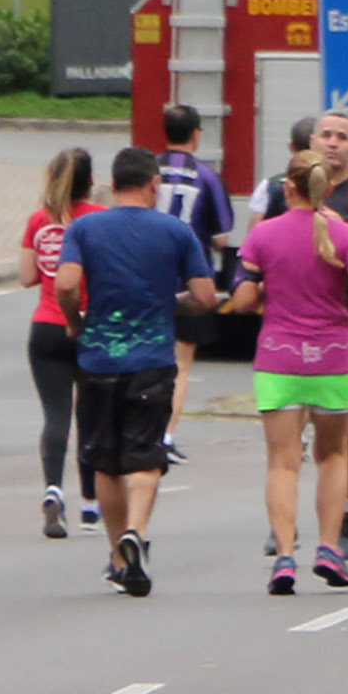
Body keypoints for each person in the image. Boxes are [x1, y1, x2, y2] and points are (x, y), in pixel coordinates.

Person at [54, 148, 216, 596]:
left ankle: (116, 554)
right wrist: (172, 301)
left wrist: (74, 319)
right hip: (152, 361)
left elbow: (65, 284)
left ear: (114, 181)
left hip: (98, 360)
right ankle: (136, 532)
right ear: (152, 185)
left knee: (105, 461)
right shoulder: (175, 231)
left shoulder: (85, 228)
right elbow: (204, 296)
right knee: (144, 457)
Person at [230, 155, 348, 592]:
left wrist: (264, 290)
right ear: (326, 189)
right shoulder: (346, 234)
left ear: (287, 188)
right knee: (332, 455)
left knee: (283, 461)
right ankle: (331, 549)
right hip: (334, 356)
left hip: (280, 357)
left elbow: (241, 301)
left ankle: (283, 556)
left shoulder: (263, 235)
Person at [257, 112, 348, 561]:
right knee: (290, 434)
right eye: (327, 135)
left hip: (345, 323)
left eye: (343, 138)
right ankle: (288, 530)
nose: (334, 143)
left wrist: (347, 236)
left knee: (345, 429)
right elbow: (258, 252)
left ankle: (346, 510)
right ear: (311, 141)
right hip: (287, 323)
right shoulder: (286, 192)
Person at [21, 147, 99, 539]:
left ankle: (53, 487)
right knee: (89, 415)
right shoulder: (98, 220)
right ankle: (90, 503)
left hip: (46, 326)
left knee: (55, 415)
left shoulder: (39, 219)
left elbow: (25, 276)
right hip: (89, 325)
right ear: (91, 181)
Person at [151, 104, 234, 462]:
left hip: (148, 272)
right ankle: (166, 436)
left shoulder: (148, 169)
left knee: (147, 354)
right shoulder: (207, 177)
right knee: (181, 362)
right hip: (189, 275)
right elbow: (222, 234)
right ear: (197, 134)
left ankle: (142, 429)